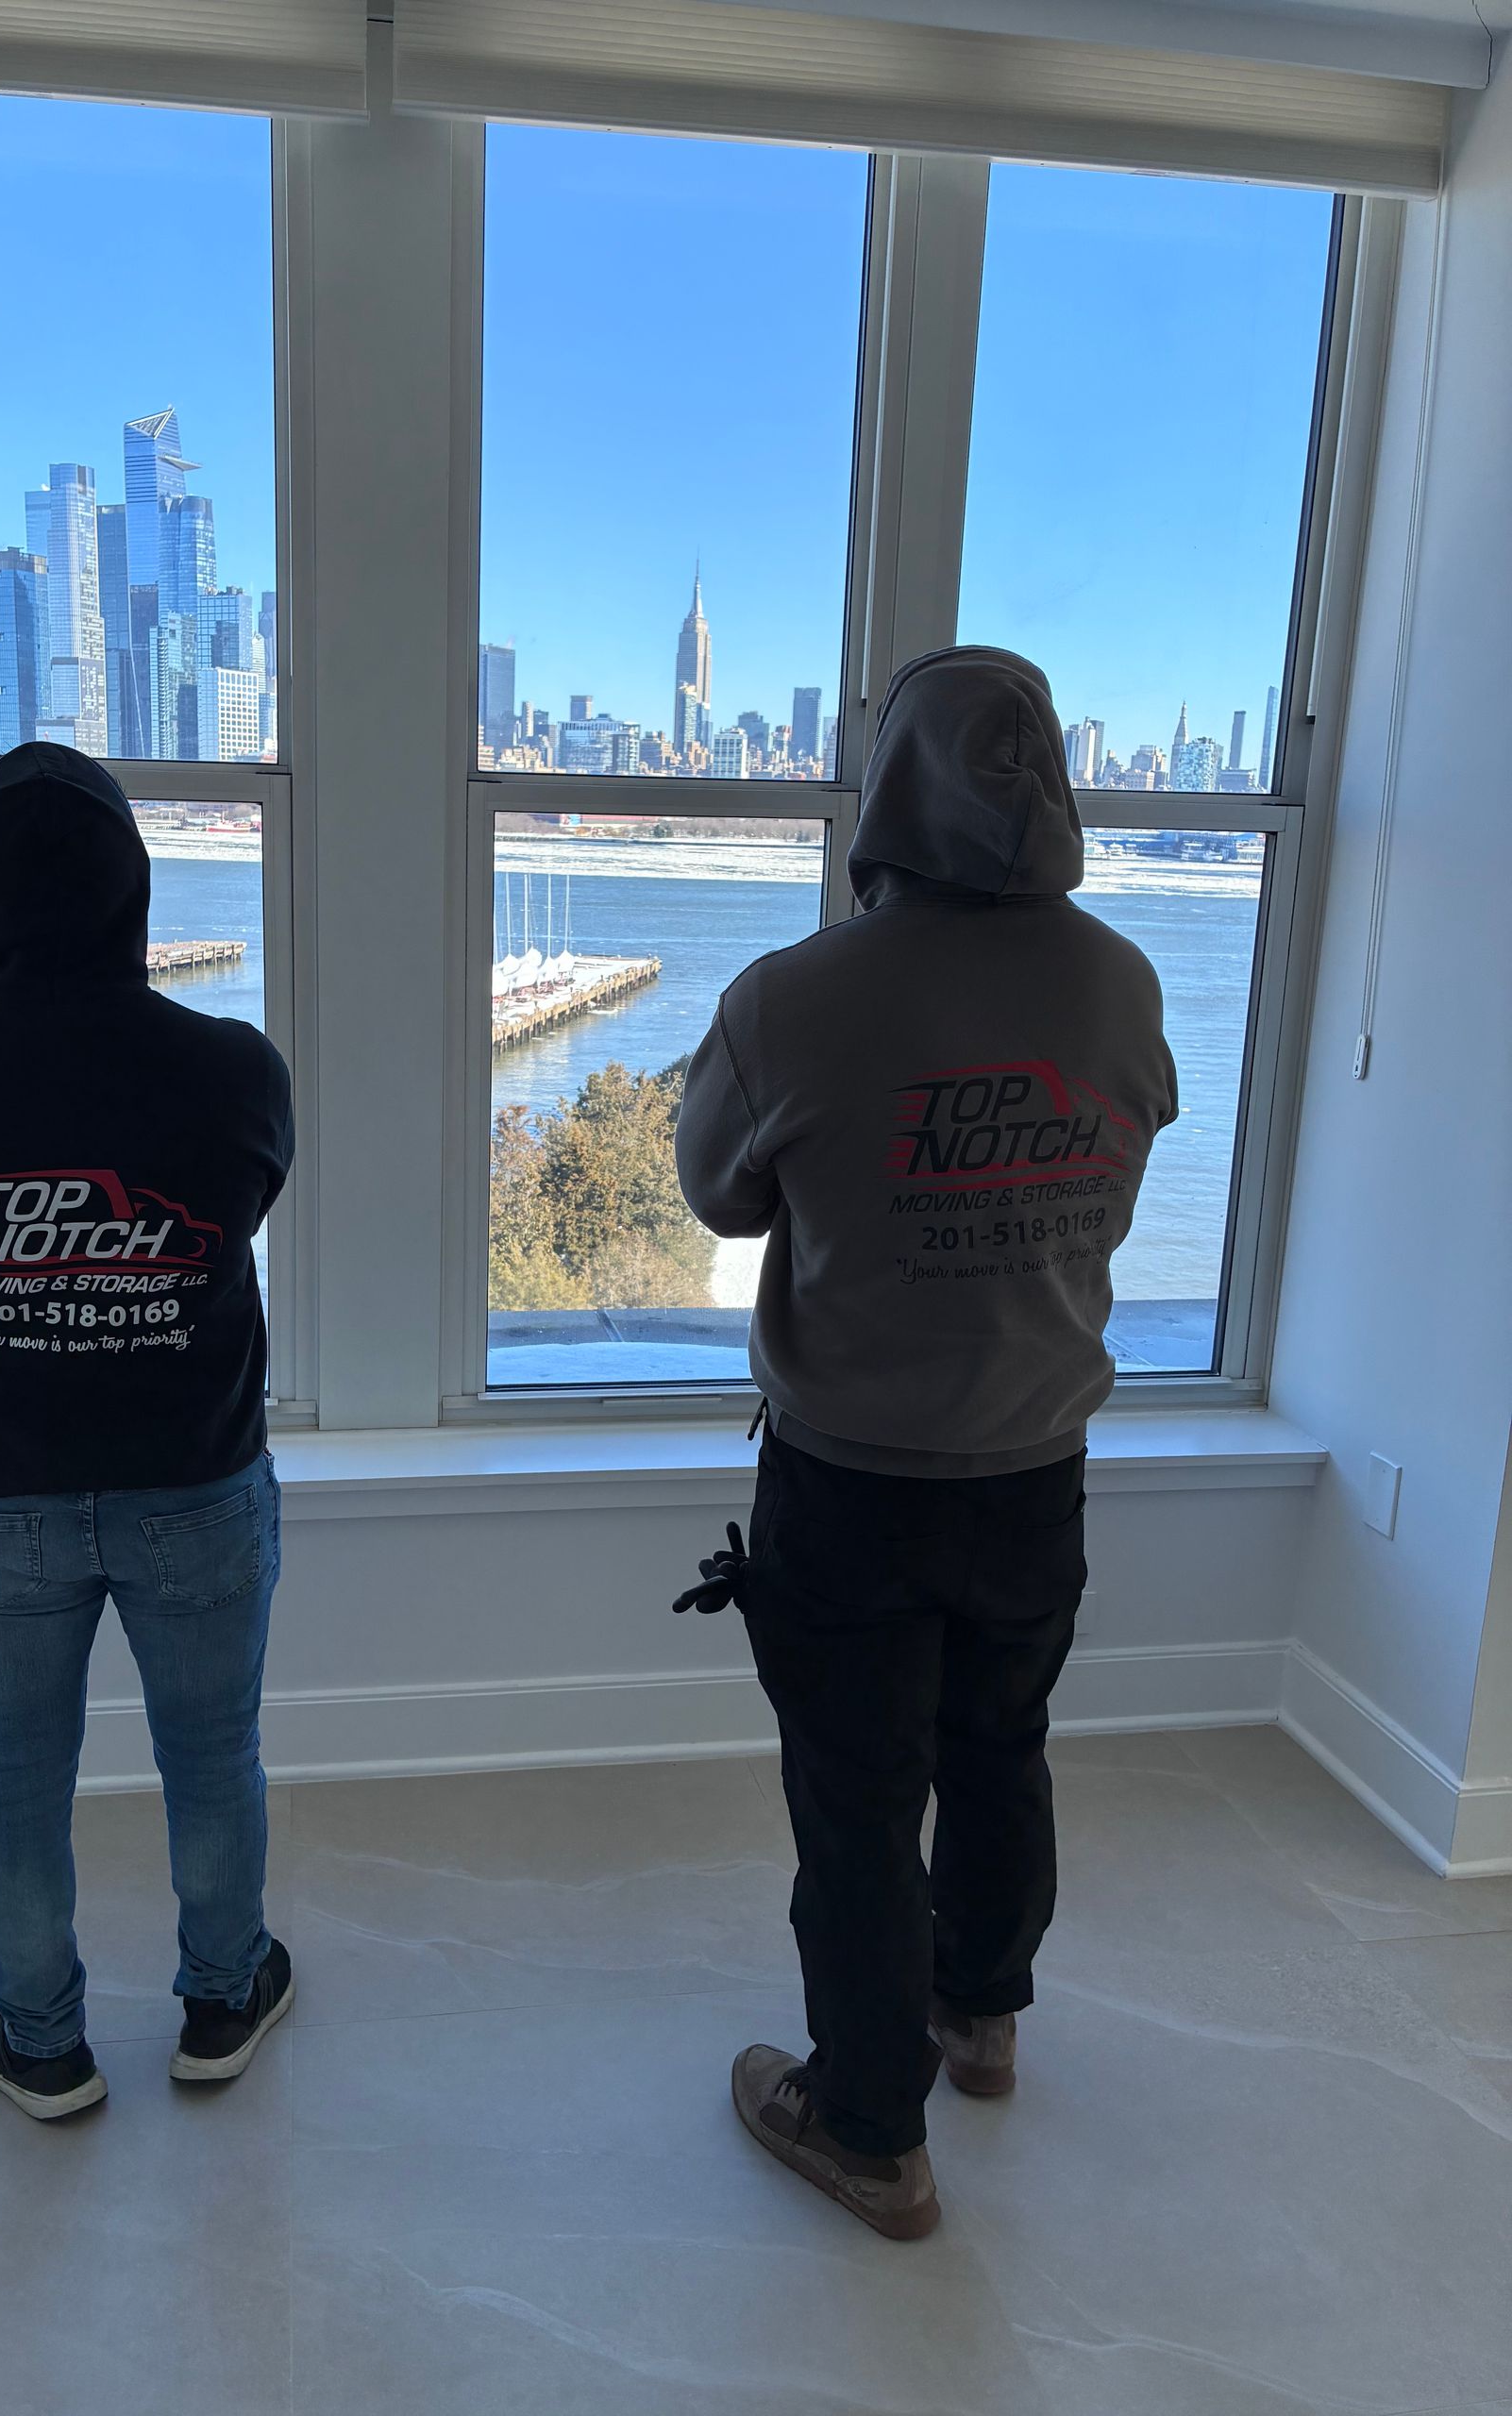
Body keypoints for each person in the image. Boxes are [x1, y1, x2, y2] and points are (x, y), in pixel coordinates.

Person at [674, 647, 1177, 2239]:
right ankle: (982, 2018)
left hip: (852, 1485)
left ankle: (871, 2130)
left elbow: (718, 1197)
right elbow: (1123, 1162)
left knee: (859, 1797)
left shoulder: (796, 999)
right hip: (1038, 1471)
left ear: (887, 785)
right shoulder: (1124, 985)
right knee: (999, 1748)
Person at [0, 744, 295, 2122]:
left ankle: (39, 2038)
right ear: (135, 887)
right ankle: (222, 1999)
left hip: (4, 1502)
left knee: (16, 1773)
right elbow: (242, 1205)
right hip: (197, 1488)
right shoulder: (234, 1073)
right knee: (213, 1753)